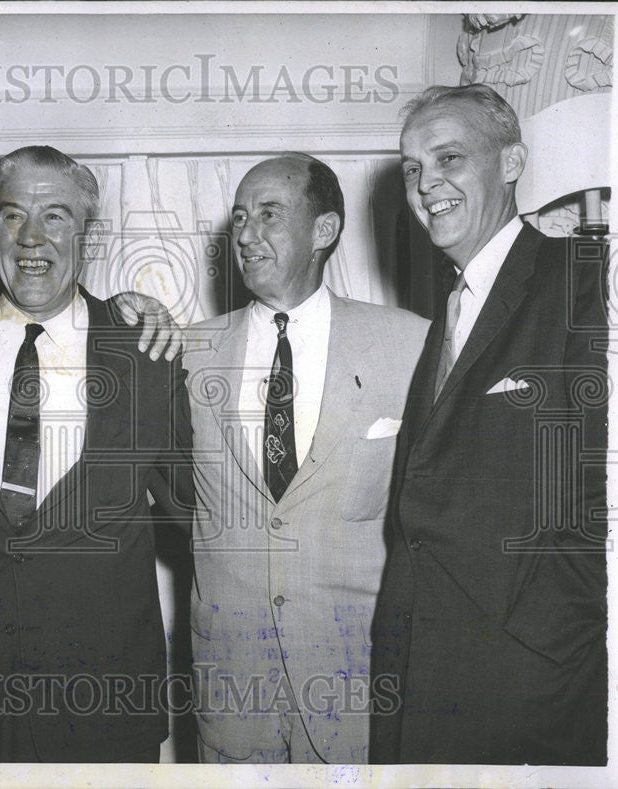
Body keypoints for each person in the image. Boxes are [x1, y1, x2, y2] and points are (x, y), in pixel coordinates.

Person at [0, 145, 194, 763]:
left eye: (56, 217)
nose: (31, 238)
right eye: (13, 215)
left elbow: (200, 512)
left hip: (104, 705)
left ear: (87, 236)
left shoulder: (146, 353)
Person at [369, 84, 608, 765]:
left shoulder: (582, 280)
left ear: (510, 163)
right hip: (419, 681)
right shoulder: (450, 307)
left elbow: (610, 500)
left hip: (528, 685)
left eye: (448, 158)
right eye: (413, 168)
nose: (426, 185)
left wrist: (546, 638)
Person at [184, 154, 429, 763]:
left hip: (360, 690)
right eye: (240, 216)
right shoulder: (185, 353)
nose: (244, 234)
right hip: (235, 692)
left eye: (269, 214)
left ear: (324, 231)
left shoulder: (413, 343)